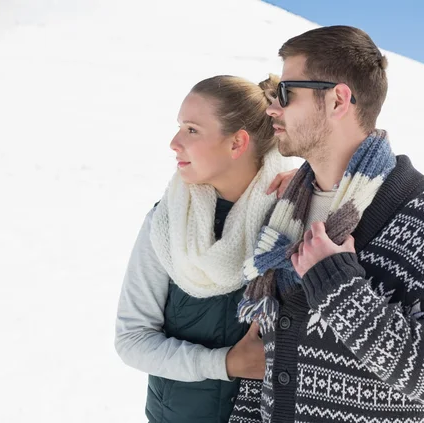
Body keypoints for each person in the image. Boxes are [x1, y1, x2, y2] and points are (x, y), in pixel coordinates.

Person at [230, 26, 424, 423]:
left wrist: (340, 288)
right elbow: (263, 362)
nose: (271, 108)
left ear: (337, 100)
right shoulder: (284, 213)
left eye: (285, 92)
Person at [115, 74, 297, 423]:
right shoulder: (165, 223)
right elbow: (133, 339)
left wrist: (319, 189)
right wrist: (225, 364)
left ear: (236, 143)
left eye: (192, 130)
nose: (174, 142)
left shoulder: (291, 217)